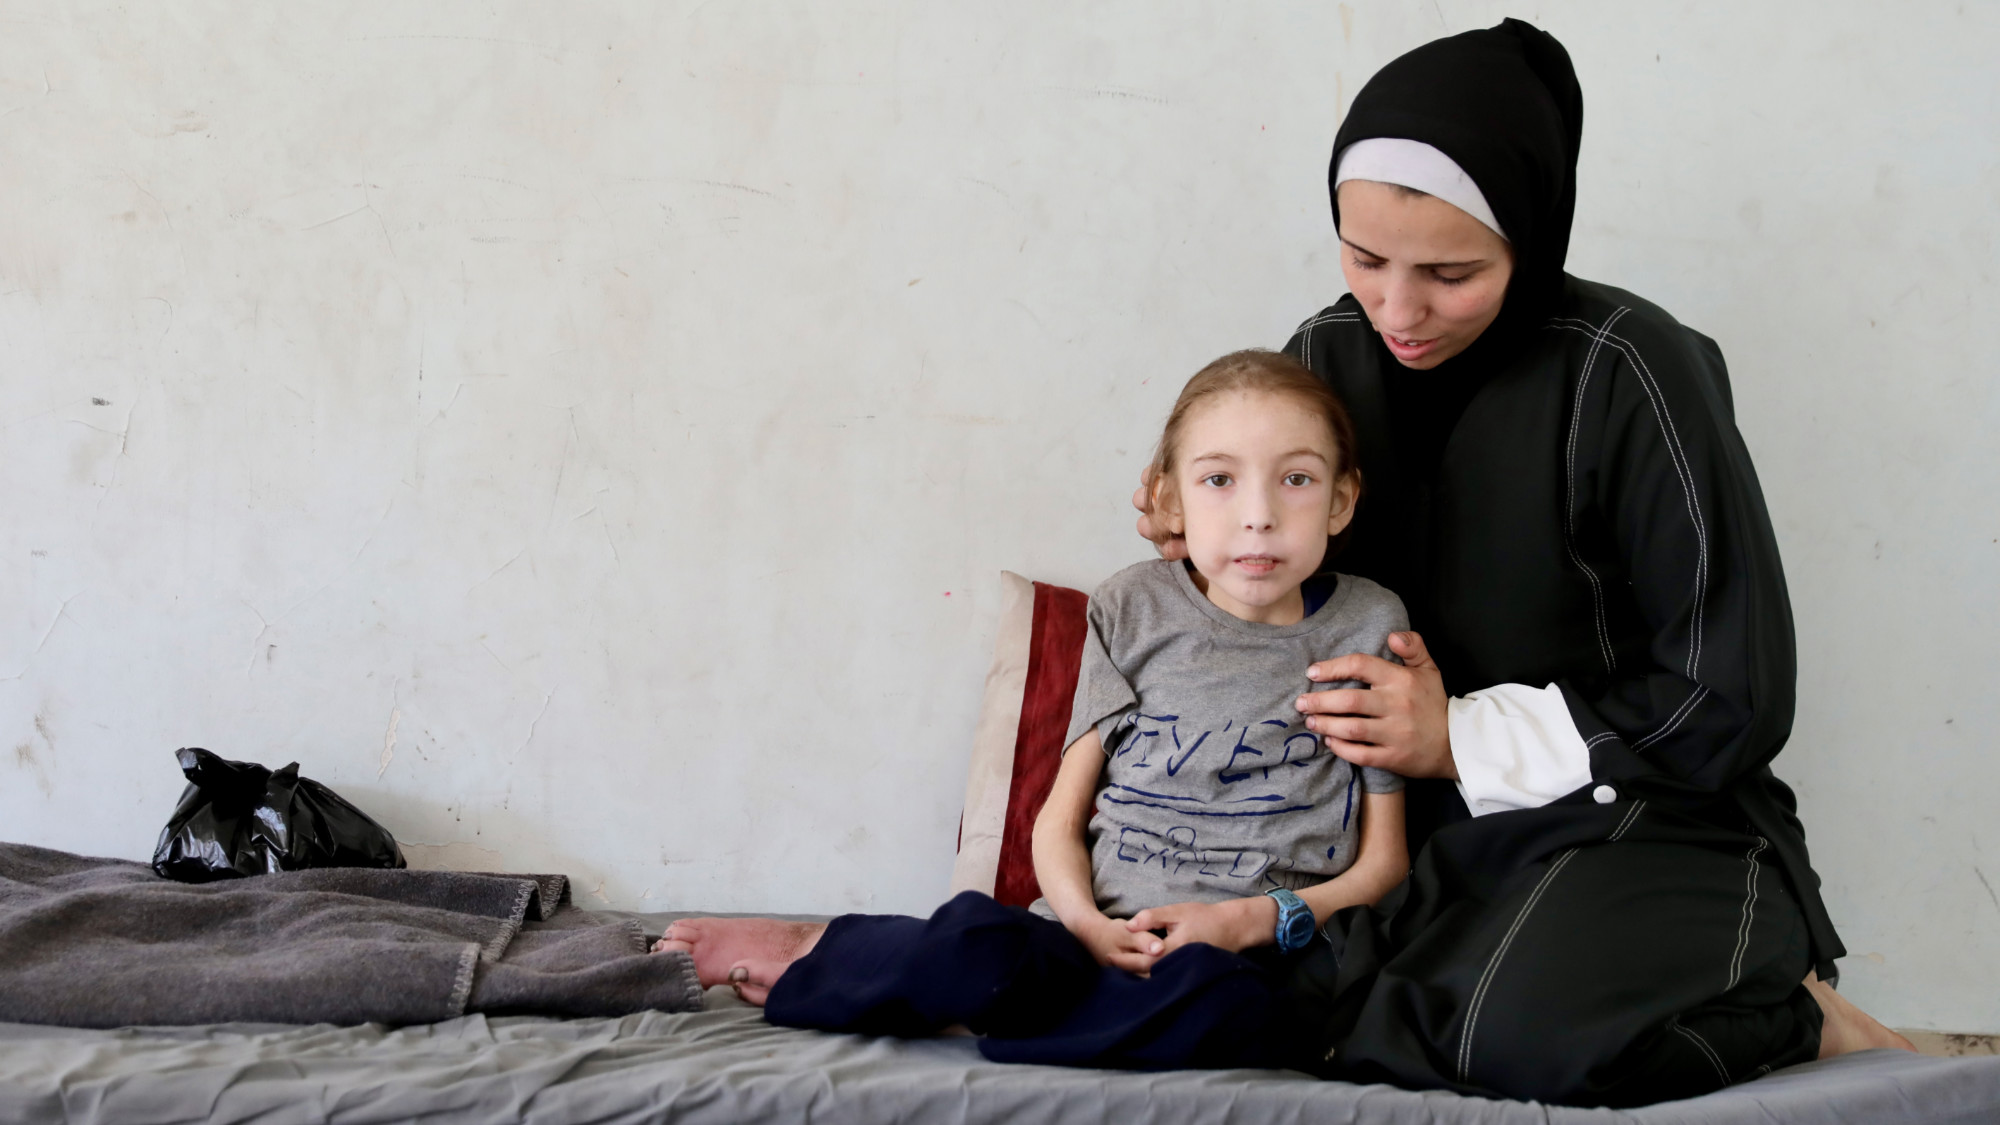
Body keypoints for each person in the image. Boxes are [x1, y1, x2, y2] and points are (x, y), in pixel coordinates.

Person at [1132, 18, 1913, 1107]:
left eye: (1449, 272)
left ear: (1531, 237)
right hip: (1417, 832)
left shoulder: (1632, 372)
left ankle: (1790, 1010)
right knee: (1305, 1020)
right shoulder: (1326, 354)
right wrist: (1204, 540)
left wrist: (1452, 737)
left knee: (1519, 1040)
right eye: (1363, 259)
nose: (1396, 310)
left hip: (1644, 818)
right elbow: (1292, 573)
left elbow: (1729, 697)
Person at [656, 349, 1410, 1070]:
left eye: (1297, 480)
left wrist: (1252, 919)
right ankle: (829, 952)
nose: (1259, 516)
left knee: (1237, 1012)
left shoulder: (1369, 625)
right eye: (1219, 479)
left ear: (1342, 498)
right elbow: (1059, 818)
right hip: (1088, 936)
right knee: (979, 942)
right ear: (1169, 496)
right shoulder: (1133, 607)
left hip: (1245, 956)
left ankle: (974, 1012)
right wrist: (1083, 921)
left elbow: (1384, 864)